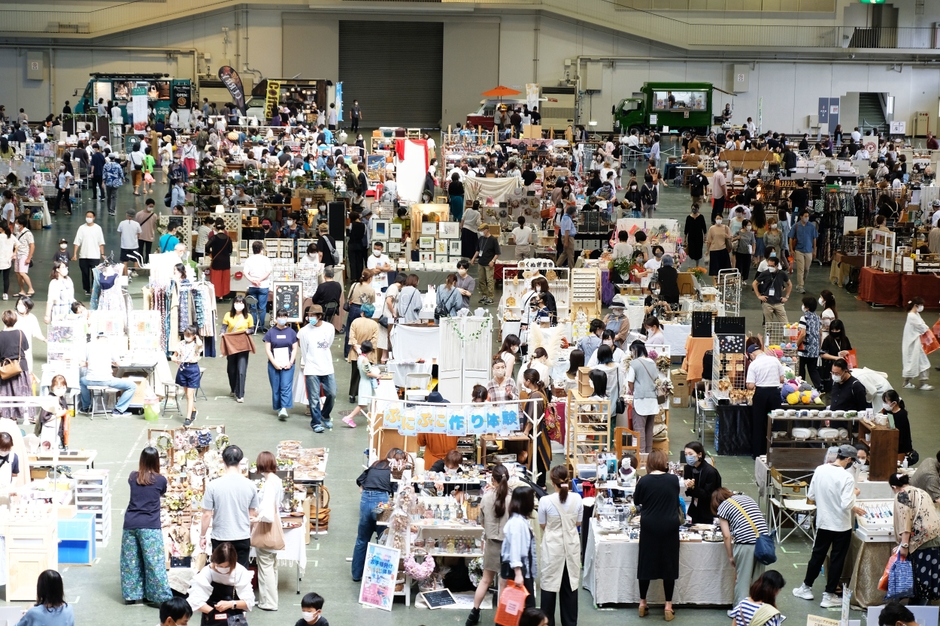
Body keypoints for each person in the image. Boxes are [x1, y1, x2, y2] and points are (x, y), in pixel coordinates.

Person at [792, 444, 866, 607]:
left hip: (823, 522)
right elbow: (846, 504)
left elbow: (811, 495)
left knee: (817, 556)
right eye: (852, 461)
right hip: (841, 525)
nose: (851, 464)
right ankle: (829, 595)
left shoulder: (820, 470)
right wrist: (855, 493)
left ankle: (806, 587)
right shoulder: (846, 477)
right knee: (837, 559)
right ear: (848, 459)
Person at [120, 447, 172, 605]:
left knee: (130, 562)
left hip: (130, 524)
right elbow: (162, 492)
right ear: (156, 461)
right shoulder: (161, 480)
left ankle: (131, 595)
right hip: (150, 526)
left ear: (141, 460)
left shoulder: (132, 477)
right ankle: (161, 597)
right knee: (153, 562)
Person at [634, 449, 680, 621]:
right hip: (670, 525)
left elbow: (636, 501)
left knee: (645, 563)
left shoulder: (644, 481)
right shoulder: (673, 479)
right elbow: (675, 500)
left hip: (649, 526)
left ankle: (642, 602)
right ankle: (668, 605)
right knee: (669, 563)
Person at [200, 445, 258, 568]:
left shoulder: (213, 485)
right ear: (241, 461)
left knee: (221, 576)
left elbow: (206, 514)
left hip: (220, 538)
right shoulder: (250, 485)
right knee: (241, 577)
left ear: (223, 461)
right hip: (242, 536)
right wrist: (249, 532)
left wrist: (202, 536)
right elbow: (252, 515)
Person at [713, 488, 772, 610]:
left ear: (716, 502)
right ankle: (757, 609)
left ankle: (740, 612)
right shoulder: (747, 498)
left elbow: (726, 535)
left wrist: (730, 556)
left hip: (746, 543)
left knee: (743, 580)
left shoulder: (723, 506)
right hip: (763, 542)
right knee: (759, 580)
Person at [467, 464, 511, 626]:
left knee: (485, 580)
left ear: (493, 480)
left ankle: (473, 614)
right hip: (507, 546)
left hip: (492, 544)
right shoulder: (511, 499)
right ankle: (501, 619)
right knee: (503, 583)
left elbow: (482, 522)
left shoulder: (486, 497)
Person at [538, 465, 582, 626]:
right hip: (571, 547)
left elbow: (543, 524)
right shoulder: (577, 499)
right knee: (570, 588)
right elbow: (578, 522)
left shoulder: (545, 501)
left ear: (552, 481)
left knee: (549, 589)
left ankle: (546, 623)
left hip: (552, 548)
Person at [888, 472, 940, 603]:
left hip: (920, 542)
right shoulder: (922, 492)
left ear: (894, 487)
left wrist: (904, 545)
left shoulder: (902, 494)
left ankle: (913, 615)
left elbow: (905, 521)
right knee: (926, 581)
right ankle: (922, 614)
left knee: (918, 583)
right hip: (934, 538)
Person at [352, 449, 402, 581]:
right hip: (381, 501)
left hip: (365, 500)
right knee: (384, 540)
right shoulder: (394, 469)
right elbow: (397, 492)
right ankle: (379, 578)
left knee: (362, 540)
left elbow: (360, 479)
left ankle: (357, 574)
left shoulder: (375, 464)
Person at [186, 542, 255, 621]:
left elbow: (248, 602)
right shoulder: (207, 571)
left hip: (234, 613)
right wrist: (215, 613)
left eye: (227, 566)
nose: (223, 569)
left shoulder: (240, 571)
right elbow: (194, 600)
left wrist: (230, 604)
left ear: (233, 563)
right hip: (211, 612)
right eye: (220, 566)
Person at [252, 451, 284, 611]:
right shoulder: (276, 480)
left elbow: (267, 511)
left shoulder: (269, 483)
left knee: (265, 566)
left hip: (266, 528)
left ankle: (269, 602)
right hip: (275, 525)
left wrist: (257, 518)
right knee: (272, 565)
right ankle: (267, 599)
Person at [298, 304, 336, 433]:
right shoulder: (303, 331)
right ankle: (315, 422)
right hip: (311, 368)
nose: (310, 318)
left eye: (313, 315)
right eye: (309, 315)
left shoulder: (329, 328)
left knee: (332, 393)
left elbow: (329, 343)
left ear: (320, 316)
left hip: (327, 367)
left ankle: (325, 415)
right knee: (314, 398)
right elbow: (303, 349)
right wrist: (308, 362)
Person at [501, 485, 538, 609]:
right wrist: (518, 573)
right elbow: (515, 549)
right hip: (519, 571)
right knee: (523, 608)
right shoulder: (517, 523)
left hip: (522, 570)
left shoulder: (518, 520)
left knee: (518, 607)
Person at [746, 342, 785, 457]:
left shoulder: (754, 364)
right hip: (775, 394)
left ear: (752, 355)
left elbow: (751, 386)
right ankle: (776, 452)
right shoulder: (774, 360)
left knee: (758, 423)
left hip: (761, 394)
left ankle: (758, 453)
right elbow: (782, 379)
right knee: (776, 423)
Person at [263, 310, 298, 421]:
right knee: (276, 387)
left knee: (286, 386)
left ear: (287, 318)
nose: (282, 318)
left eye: (284, 316)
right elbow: (268, 350)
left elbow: (295, 348)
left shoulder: (292, 332)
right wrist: (274, 363)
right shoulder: (270, 333)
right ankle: (278, 407)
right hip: (274, 364)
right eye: (280, 316)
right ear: (276, 318)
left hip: (288, 364)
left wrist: (291, 362)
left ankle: (284, 408)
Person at [521, 368, 553, 487]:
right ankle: (540, 483)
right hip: (540, 430)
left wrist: (525, 432)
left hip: (538, 432)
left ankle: (540, 484)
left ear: (528, 381)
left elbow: (531, 418)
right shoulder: (540, 392)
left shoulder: (535, 396)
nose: (523, 382)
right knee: (539, 456)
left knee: (539, 456)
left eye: (524, 380)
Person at [626, 340, 659, 453]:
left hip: (641, 401)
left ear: (635, 350)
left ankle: (641, 458)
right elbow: (655, 378)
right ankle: (648, 457)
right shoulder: (652, 362)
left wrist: (633, 390)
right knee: (649, 431)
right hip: (653, 401)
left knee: (639, 431)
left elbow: (630, 382)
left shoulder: (634, 364)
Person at [221, 296, 253, 403]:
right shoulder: (228, 315)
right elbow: (224, 327)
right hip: (231, 344)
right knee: (231, 369)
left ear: (244, 304)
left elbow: (251, 328)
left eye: (241, 302)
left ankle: (240, 394)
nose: (238, 304)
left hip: (243, 344)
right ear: (233, 304)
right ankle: (233, 388)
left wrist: (249, 331)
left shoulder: (248, 316)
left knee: (241, 369)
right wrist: (222, 332)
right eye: (237, 302)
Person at [683, 441, 722, 524]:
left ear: (699, 454)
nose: (688, 457)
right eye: (686, 454)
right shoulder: (688, 468)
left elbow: (708, 495)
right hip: (695, 509)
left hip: (708, 511)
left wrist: (693, 487)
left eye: (690, 454)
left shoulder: (710, 472)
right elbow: (690, 491)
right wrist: (689, 486)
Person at [171, 324, 202, 427]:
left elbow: (200, 344)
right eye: (185, 334)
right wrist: (174, 359)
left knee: (189, 394)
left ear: (194, 335)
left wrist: (197, 337)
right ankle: (193, 410)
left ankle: (188, 418)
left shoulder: (196, 345)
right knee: (186, 393)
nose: (186, 336)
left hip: (193, 369)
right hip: (183, 369)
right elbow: (174, 356)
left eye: (189, 334)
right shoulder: (181, 344)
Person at [345, 339, 380, 428]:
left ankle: (374, 417)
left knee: (372, 400)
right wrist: (377, 376)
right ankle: (349, 417)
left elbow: (357, 348)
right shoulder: (365, 360)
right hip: (366, 383)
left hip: (365, 382)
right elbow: (368, 373)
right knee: (362, 404)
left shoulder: (360, 356)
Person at [902, 297, 934, 390]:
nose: (922, 307)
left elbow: (923, 325)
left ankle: (907, 382)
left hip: (916, 342)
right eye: (921, 305)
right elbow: (922, 327)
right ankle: (922, 384)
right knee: (923, 363)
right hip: (914, 343)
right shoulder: (912, 316)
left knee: (916, 362)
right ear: (916, 306)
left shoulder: (915, 314)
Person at [72, 210, 105, 296]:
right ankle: (87, 289)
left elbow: (101, 242)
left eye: (90, 217)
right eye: (87, 216)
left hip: (95, 256)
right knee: (85, 274)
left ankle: (95, 288)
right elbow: (77, 242)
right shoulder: (81, 228)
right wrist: (75, 254)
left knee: (95, 274)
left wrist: (102, 254)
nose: (88, 218)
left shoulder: (98, 228)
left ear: (94, 218)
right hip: (83, 256)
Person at [795, 296, 823, 391]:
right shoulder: (818, 318)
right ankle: (819, 386)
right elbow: (820, 333)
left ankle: (801, 386)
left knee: (801, 369)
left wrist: (795, 345)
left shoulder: (804, 318)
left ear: (806, 307)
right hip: (814, 349)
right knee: (812, 369)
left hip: (804, 349)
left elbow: (802, 334)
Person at [789, 210, 817, 294]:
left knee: (806, 269)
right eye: (805, 216)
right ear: (801, 216)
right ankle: (800, 286)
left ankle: (802, 283)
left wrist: (814, 250)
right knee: (800, 269)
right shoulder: (796, 226)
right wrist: (791, 249)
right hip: (799, 250)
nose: (807, 217)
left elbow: (814, 238)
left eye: (808, 216)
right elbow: (790, 238)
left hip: (808, 250)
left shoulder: (811, 226)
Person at [471, 224, 500, 305]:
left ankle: (490, 297)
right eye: (480, 230)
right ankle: (484, 295)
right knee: (481, 280)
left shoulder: (493, 239)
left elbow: (497, 253)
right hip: (481, 262)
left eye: (482, 230)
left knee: (490, 280)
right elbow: (478, 250)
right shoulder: (481, 239)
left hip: (489, 263)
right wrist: (473, 258)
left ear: (487, 230)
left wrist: (493, 261)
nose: (481, 232)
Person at [206, 219, 233, 300]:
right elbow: (230, 250)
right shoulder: (228, 238)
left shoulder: (213, 238)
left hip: (216, 261)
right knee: (224, 279)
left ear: (216, 229)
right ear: (224, 229)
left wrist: (210, 252)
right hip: (225, 261)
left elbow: (207, 246)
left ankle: (217, 295)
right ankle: (223, 294)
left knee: (216, 279)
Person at [882, 390, 912, 464]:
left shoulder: (902, 415)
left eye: (886, 402)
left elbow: (903, 435)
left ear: (894, 403)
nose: (885, 404)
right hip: (890, 443)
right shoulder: (888, 411)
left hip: (900, 447)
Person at [13, 215, 34, 297]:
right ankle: (22, 290)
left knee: (22, 272)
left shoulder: (28, 233)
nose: (16, 225)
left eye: (17, 223)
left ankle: (31, 289)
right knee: (18, 273)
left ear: (21, 224)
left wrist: (29, 257)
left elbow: (32, 246)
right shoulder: (18, 233)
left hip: (24, 255)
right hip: (18, 255)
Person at [135, 199, 158, 265]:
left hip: (150, 236)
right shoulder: (139, 214)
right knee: (140, 251)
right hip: (140, 236)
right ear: (146, 205)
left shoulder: (154, 216)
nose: (151, 208)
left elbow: (155, 226)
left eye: (152, 206)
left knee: (148, 251)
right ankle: (140, 262)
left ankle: (146, 262)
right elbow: (136, 225)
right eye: (150, 206)